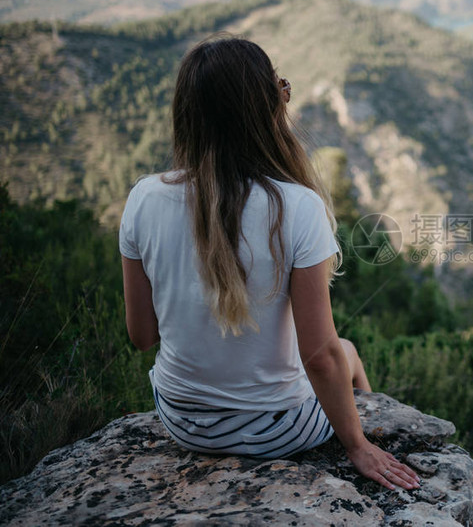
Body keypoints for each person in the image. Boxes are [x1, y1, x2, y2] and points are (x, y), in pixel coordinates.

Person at [119, 35, 420, 491]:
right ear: (267, 109)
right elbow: (319, 356)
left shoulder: (143, 197)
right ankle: (365, 437)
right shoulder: (296, 207)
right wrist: (356, 446)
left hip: (181, 420)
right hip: (277, 431)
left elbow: (142, 337)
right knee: (348, 352)